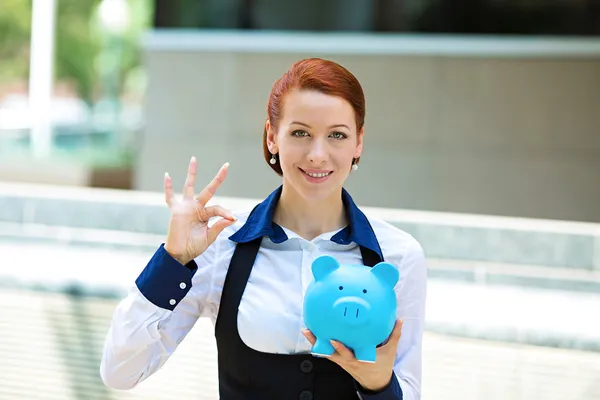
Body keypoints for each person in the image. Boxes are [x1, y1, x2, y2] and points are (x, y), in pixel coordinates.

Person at [100, 58, 427, 400]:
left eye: (337, 135)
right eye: (300, 133)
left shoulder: (398, 255)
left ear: (358, 142)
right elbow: (120, 372)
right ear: (272, 136)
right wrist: (171, 261)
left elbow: (410, 391)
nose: (318, 154)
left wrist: (378, 385)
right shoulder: (221, 244)